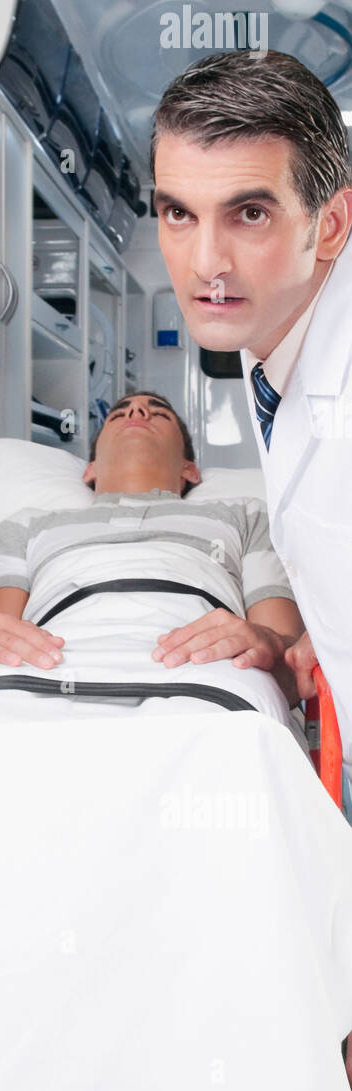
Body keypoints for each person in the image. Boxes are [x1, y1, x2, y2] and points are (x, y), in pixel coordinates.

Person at [150, 49, 352, 792]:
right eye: (178, 213)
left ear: (330, 225)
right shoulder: (259, 318)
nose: (207, 262)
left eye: (250, 213)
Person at [0, 391, 303, 725]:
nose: (137, 409)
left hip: (200, 669)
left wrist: (267, 644)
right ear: (88, 471)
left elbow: (289, 665)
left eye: (158, 413)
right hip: (39, 670)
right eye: (119, 412)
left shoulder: (246, 516)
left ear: (190, 470)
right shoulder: (25, 525)